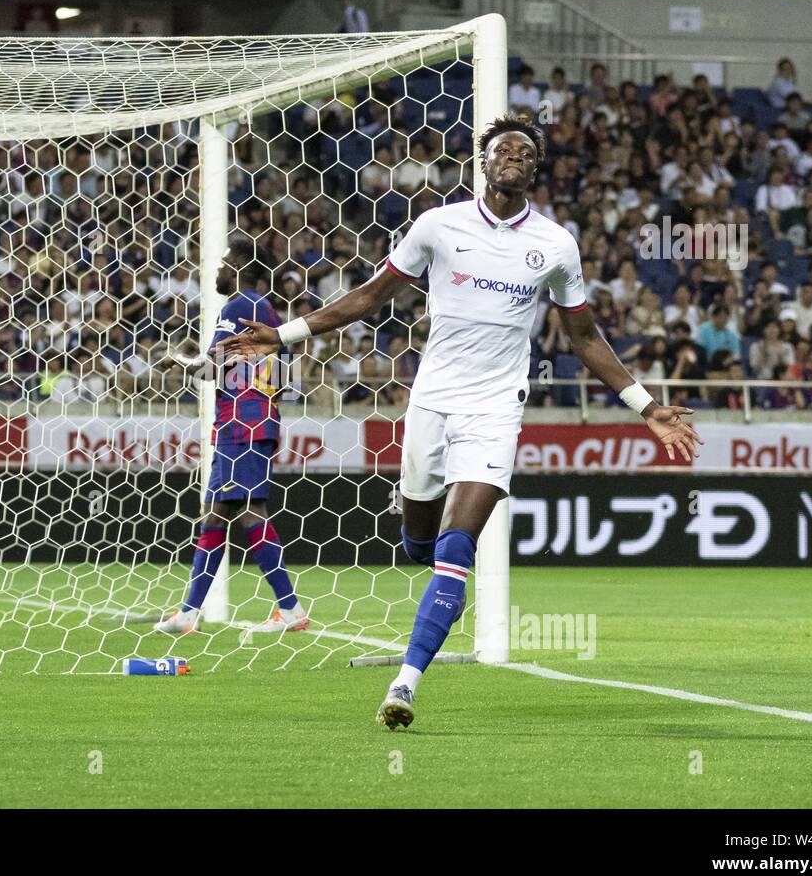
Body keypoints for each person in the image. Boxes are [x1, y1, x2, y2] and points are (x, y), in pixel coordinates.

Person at [217, 114, 702, 730]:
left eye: (526, 153)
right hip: (431, 403)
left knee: (456, 548)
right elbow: (369, 296)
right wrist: (283, 335)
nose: (514, 158)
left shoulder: (555, 245)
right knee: (419, 540)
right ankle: (430, 558)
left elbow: (584, 336)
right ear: (484, 161)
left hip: (496, 409)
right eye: (504, 149)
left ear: (536, 169)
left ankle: (405, 683)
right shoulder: (438, 227)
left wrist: (647, 407)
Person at [151, 243, 308, 636]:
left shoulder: (241, 306)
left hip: (245, 420)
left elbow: (210, 367)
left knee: (250, 512)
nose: (217, 271)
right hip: (239, 420)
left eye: (222, 263)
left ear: (238, 266)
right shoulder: (259, 307)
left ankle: (290, 608)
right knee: (216, 515)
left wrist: (177, 359)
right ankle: (189, 613)